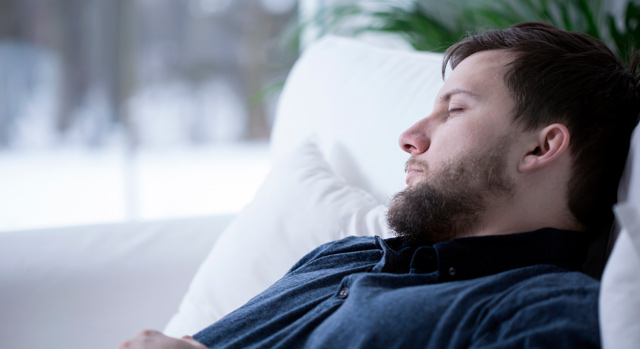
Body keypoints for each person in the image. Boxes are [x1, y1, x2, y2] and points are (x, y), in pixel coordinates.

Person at [119, 22, 640, 348]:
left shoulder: (539, 312)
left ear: (540, 148)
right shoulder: (339, 256)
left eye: (454, 110)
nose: (409, 137)